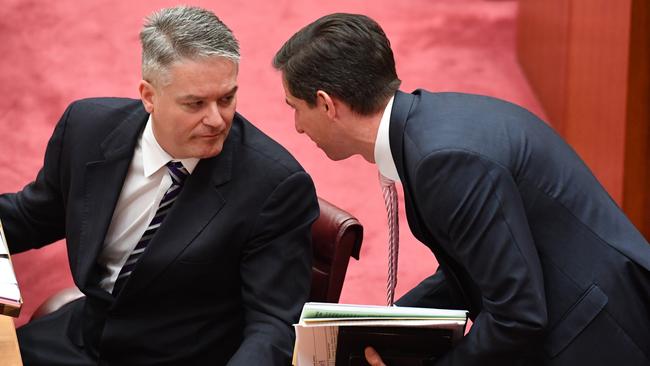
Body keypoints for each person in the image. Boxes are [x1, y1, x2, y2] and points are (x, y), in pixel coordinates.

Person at [273, 13, 650, 366]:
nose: (297, 127)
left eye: (296, 108)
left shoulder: (445, 161)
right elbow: (466, 267)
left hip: (598, 335)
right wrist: (378, 331)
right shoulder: (427, 127)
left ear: (326, 104)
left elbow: (518, 316)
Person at [0, 6, 319, 365]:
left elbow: (273, 326)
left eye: (226, 98)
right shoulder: (86, 128)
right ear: (149, 95)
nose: (216, 119)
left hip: (181, 355)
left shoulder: (275, 186)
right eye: (195, 103)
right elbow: (32, 216)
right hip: (83, 337)